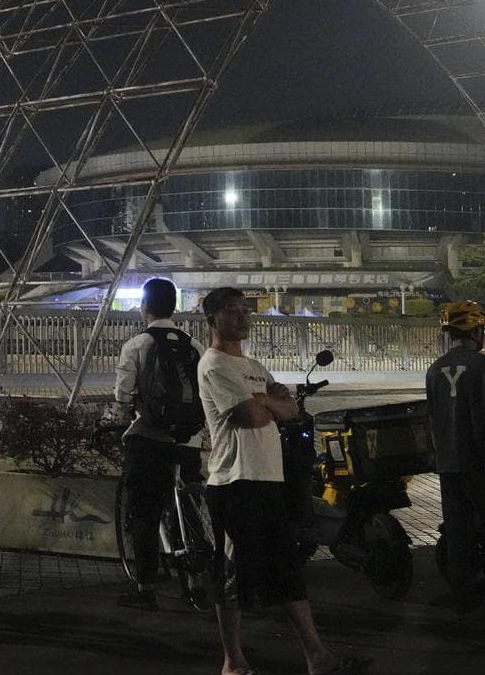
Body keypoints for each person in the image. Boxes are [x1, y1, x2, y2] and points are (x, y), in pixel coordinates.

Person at [198, 287, 369, 675]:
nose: (243, 317)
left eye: (245, 310)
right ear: (213, 319)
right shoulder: (213, 365)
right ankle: (233, 662)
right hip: (234, 481)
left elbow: (290, 410)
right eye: (232, 311)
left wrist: (266, 402)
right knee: (233, 571)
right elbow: (252, 417)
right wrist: (266, 403)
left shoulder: (254, 366)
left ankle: (317, 656)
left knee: (286, 567)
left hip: (268, 478)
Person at [112, 278, 206, 610]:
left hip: (149, 438)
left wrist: (121, 416)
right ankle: (198, 579)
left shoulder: (137, 344)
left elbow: (123, 396)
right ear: (174, 307)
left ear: (145, 308)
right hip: (189, 440)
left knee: (144, 513)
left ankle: (146, 588)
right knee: (190, 509)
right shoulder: (195, 346)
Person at [425, 300, 485, 618]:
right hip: (483, 462)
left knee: (458, 534)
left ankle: (463, 599)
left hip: (449, 465)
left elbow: (432, 418)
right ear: (476, 331)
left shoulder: (434, 369)